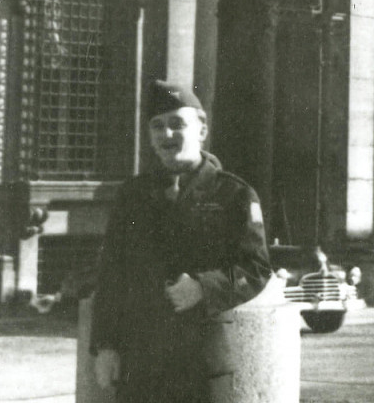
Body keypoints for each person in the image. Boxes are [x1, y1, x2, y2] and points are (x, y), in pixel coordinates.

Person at [90, 80, 272, 403]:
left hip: (200, 362)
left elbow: (255, 268)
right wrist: (104, 346)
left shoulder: (234, 195)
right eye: (157, 126)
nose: (167, 135)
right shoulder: (133, 195)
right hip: (139, 362)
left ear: (201, 129)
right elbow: (110, 277)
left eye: (177, 124)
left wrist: (204, 287)